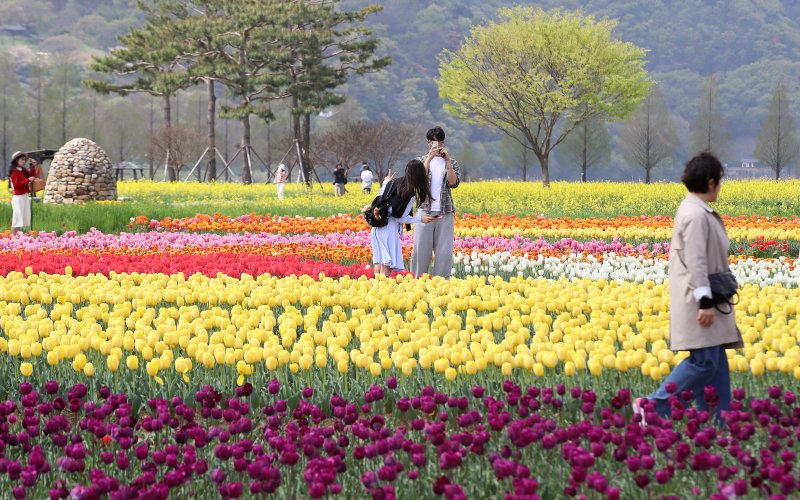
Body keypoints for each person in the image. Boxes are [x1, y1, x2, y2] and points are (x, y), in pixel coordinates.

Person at [634, 152, 743, 425]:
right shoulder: (695, 214)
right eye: (719, 181)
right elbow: (696, 259)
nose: (720, 186)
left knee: (715, 363)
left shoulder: (697, 210)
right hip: (700, 301)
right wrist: (704, 301)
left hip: (709, 296)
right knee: (704, 362)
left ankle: (719, 420)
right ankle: (652, 407)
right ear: (710, 182)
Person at [363, 159, 437, 277]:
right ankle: (383, 286)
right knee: (387, 265)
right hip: (389, 229)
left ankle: (375, 286)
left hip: (377, 226)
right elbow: (400, 218)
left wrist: (385, 182)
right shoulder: (410, 193)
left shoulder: (394, 182)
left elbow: (381, 197)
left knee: (378, 262)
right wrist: (420, 219)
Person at [410, 126, 461, 278]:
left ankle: (441, 284)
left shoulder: (452, 162)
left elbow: (453, 183)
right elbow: (418, 180)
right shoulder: (419, 161)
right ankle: (417, 283)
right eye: (434, 142)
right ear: (428, 143)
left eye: (441, 142)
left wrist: (447, 161)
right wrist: (429, 159)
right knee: (421, 251)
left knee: (444, 252)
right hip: (424, 211)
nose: (438, 145)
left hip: (445, 212)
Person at [8, 151, 36, 235]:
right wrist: (28, 180)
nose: (24, 161)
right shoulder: (14, 171)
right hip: (18, 197)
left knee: (21, 218)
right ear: (17, 160)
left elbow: (32, 175)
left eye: (24, 159)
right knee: (17, 218)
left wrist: (32, 166)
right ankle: (13, 236)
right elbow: (17, 185)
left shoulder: (22, 170)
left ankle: (16, 236)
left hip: (24, 196)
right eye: (22, 159)